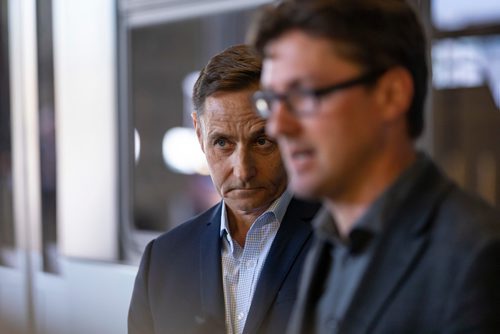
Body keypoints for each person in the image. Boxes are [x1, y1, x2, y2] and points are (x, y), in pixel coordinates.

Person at [248, 0, 500, 333]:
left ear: (391, 94)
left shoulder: (477, 256)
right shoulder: (328, 240)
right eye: (273, 100)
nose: (278, 126)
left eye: (304, 94)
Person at [128, 44, 320, 334]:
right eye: (222, 143)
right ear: (199, 133)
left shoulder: (339, 243)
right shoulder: (162, 261)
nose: (242, 170)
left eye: (261, 141)